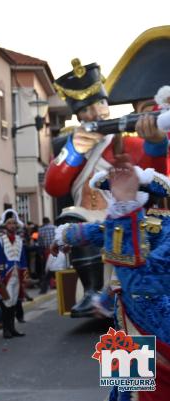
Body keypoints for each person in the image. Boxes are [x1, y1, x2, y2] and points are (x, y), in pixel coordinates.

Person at [45, 58, 167, 318]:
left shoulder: (125, 143)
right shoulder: (70, 147)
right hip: (90, 219)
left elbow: (155, 171)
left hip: (128, 220)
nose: (96, 113)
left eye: (99, 104)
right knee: (75, 219)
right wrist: (75, 152)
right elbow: (54, 186)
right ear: (79, 115)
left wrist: (156, 143)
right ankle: (93, 291)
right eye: (87, 109)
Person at [54, 156, 170, 400]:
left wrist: (65, 236)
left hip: (153, 321)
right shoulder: (119, 222)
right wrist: (106, 299)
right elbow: (121, 273)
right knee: (124, 389)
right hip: (126, 318)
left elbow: (141, 278)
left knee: (142, 391)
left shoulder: (160, 225)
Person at [0, 209, 28, 339]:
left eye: (13, 223)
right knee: (6, 302)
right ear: (5, 225)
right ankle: (6, 329)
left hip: (17, 275)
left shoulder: (19, 240)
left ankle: (12, 328)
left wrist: (25, 276)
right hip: (4, 275)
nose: (12, 225)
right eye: (9, 223)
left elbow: (23, 259)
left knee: (13, 302)